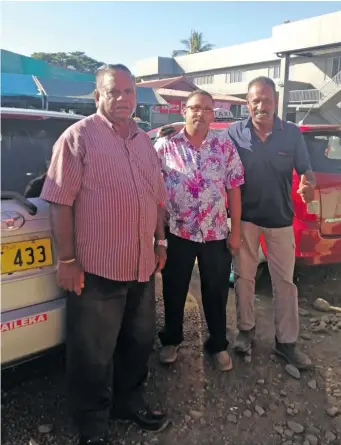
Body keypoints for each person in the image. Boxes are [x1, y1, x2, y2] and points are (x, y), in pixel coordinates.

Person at [40, 64, 169, 445]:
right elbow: (59, 203)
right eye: (114, 92)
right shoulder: (77, 138)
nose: (124, 99)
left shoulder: (144, 141)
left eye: (129, 92)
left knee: (139, 342)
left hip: (141, 266)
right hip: (96, 271)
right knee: (92, 355)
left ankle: (127, 402)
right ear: (98, 96)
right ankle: (93, 427)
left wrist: (161, 241)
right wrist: (66, 261)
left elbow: (156, 197)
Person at [224, 76, 316, 369]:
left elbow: (307, 171)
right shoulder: (233, 133)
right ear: (248, 103)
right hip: (245, 220)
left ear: (275, 102)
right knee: (244, 278)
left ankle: (286, 342)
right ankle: (246, 331)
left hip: (280, 221)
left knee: (285, 283)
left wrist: (308, 185)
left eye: (267, 100)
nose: (261, 106)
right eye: (255, 100)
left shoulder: (291, 134)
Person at [154, 90, 244, 372]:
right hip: (178, 232)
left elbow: (234, 189)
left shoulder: (224, 147)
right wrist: (159, 237)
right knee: (174, 288)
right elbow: (154, 193)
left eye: (207, 109)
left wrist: (236, 231)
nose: (200, 113)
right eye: (195, 108)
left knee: (216, 292)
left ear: (213, 114)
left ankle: (217, 344)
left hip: (215, 233)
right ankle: (171, 339)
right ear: (184, 110)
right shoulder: (165, 147)